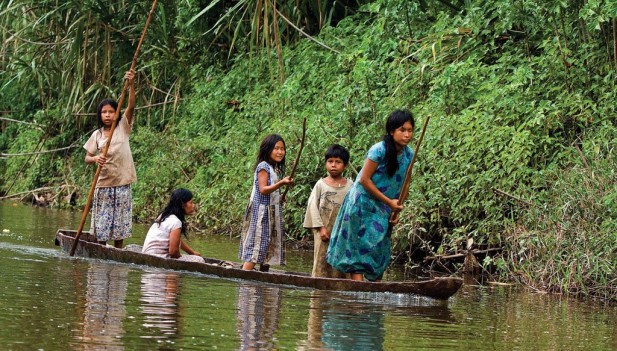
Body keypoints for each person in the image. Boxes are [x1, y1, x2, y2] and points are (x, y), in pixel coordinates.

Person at [327, 110, 415, 282]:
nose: (407, 134)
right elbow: (364, 180)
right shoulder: (379, 150)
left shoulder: (409, 154)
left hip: (384, 208)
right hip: (362, 204)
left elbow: (406, 183)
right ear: (391, 131)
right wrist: (389, 202)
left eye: (410, 130)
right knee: (357, 247)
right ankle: (358, 289)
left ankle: (373, 288)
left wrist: (396, 210)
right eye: (402, 130)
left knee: (379, 248)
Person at [84, 70, 136, 248]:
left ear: (116, 113)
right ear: (100, 115)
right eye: (104, 112)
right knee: (103, 223)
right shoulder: (97, 135)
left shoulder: (123, 128)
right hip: (103, 184)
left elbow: (131, 106)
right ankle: (101, 248)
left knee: (119, 222)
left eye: (111, 111)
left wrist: (131, 85)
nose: (107, 115)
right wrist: (96, 158)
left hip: (122, 183)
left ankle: (118, 251)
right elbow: (87, 157)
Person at [239, 134, 293, 271]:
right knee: (257, 245)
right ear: (268, 149)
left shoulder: (273, 168)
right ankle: (245, 274)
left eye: (282, 148)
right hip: (261, 212)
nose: (280, 152)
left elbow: (271, 190)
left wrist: (279, 196)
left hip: (271, 211)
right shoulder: (263, 166)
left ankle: (263, 276)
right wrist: (281, 183)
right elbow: (263, 190)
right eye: (276, 148)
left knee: (267, 245)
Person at [303, 144, 352, 278]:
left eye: (338, 162)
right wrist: (321, 228)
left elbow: (353, 209)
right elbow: (312, 207)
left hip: (343, 233)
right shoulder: (320, 185)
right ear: (326, 163)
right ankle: (318, 295)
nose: (333, 165)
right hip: (323, 231)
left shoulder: (350, 186)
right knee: (321, 261)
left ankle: (339, 295)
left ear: (345, 166)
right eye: (330, 161)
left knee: (341, 264)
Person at [142, 188, 204, 263]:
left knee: (193, 257)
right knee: (199, 260)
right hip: (158, 257)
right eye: (191, 203)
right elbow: (173, 253)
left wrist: (192, 253)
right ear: (182, 205)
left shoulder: (164, 216)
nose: (193, 206)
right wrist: (183, 258)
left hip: (147, 254)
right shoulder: (176, 222)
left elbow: (176, 240)